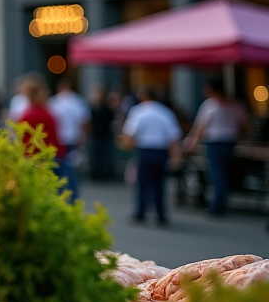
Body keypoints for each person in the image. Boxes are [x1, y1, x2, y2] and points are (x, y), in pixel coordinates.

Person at [119, 85, 183, 226]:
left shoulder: (139, 112)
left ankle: (140, 212)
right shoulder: (165, 112)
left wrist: (126, 144)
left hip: (145, 150)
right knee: (159, 184)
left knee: (142, 183)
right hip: (160, 152)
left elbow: (129, 134)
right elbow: (173, 138)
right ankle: (161, 213)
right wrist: (176, 157)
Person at [185, 77, 249, 216]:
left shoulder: (210, 105)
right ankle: (221, 200)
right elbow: (245, 125)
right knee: (224, 172)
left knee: (217, 174)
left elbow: (200, 127)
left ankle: (217, 204)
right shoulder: (236, 105)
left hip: (215, 142)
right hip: (230, 142)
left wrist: (193, 142)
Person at [48, 76, 89, 198]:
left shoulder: (54, 102)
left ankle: (58, 197)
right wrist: (82, 138)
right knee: (70, 171)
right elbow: (84, 122)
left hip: (58, 140)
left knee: (56, 171)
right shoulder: (77, 101)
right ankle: (72, 197)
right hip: (72, 139)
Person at [17, 73, 62, 160]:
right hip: (47, 158)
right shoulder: (47, 114)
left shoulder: (27, 115)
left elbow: (22, 142)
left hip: (31, 160)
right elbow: (54, 141)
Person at [88, 83, 117, 181]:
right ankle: (95, 174)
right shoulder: (92, 108)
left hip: (105, 135)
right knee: (95, 155)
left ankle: (106, 174)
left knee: (106, 156)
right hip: (96, 135)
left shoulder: (107, 109)